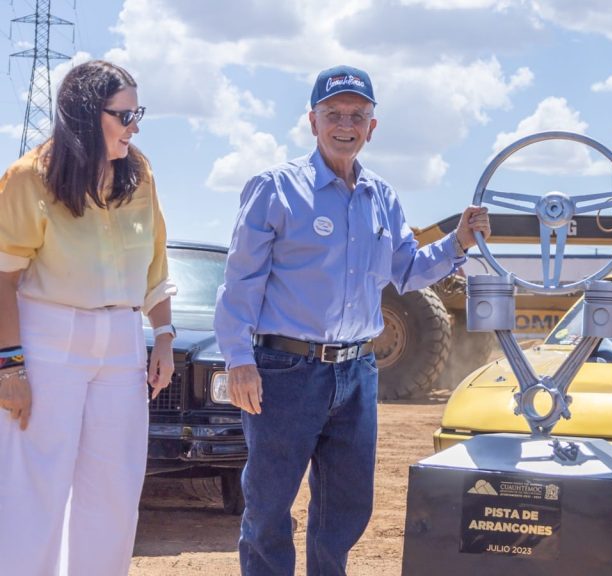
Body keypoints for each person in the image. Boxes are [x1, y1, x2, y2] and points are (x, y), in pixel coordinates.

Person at [214, 64, 490, 575]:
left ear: (372, 126)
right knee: (270, 504)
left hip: (359, 371)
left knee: (346, 507)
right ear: (312, 121)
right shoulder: (275, 189)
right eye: (333, 113)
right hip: (283, 370)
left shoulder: (382, 197)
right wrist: (237, 359)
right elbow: (240, 283)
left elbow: (406, 270)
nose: (346, 124)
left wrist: (458, 244)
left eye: (357, 115)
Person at [0, 60, 176, 575]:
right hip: (47, 337)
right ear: (83, 113)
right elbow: (2, 278)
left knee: (115, 489)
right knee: (35, 487)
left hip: (122, 343)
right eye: (125, 114)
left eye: (136, 114)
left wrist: (162, 335)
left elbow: (156, 263)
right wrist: (9, 367)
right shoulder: (28, 178)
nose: (134, 126)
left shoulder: (140, 173)